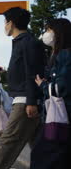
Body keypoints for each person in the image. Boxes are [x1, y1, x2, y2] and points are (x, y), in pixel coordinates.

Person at [0, 7, 45, 169]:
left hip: (25, 102)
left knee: (7, 143)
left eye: (5, 22)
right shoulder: (22, 42)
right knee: (40, 149)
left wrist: (32, 101)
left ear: (11, 23)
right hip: (25, 100)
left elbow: (32, 73)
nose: (4, 25)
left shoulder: (28, 43)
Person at [31, 18, 71, 168]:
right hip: (61, 114)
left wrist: (43, 85)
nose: (46, 34)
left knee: (42, 157)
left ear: (58, 32)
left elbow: (61, 87)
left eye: (48, 30)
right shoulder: (60, 54)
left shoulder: (65, 55)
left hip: (61, 114)